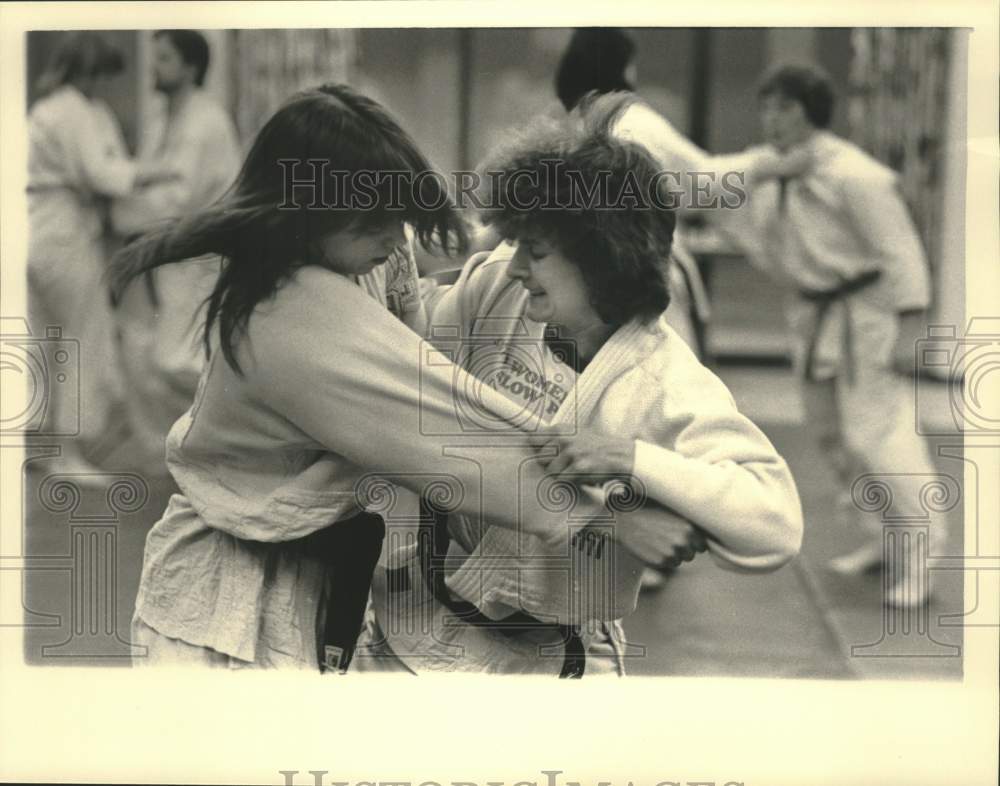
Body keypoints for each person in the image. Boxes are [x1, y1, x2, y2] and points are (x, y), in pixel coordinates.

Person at [109, 84, 629, 671]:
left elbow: (425, 329)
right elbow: (444, 425)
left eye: (398, 218)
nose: (393, 239)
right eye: (374, 223)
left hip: (315, 583)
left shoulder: (372, 255)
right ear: (309, 215)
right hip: (221, 606)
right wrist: (616, 513)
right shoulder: (287, 310)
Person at [355, 113, 804, 675]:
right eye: (518, 245)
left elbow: (774, 526)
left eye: (537, 252)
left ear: (602, 259)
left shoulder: (662, 379)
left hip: (554, 656)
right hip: (415, 625)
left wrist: (631, 459)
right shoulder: (496, 290)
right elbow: (417, 403)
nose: (516, 266)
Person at [707, 64, 939, 606]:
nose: (773, 119)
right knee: (834, 442)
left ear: (811, 111)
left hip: (868, 317)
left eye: (784, 108)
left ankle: (922, 558)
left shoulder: (855, 174)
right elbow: (744, 221)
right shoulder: (772, 175)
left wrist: (909, 329)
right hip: (814, 320)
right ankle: (882, 539)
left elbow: (902, 252)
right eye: (767, 107)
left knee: (876, 438)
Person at [27, 32, 177, 476]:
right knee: (80, 340)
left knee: (42, 340)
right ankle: (67, 455)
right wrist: (155, 171)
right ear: (88, 70)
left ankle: (37, 443)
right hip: (65, 231)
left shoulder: (45, 109)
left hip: (34, 227)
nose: (107, 86)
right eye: (104, 76)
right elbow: (101, 173)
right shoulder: (75, 110)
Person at [111, 30, 243, 473]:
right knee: (153, 355)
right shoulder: (164, 118)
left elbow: (178, 197)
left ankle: (230, 445)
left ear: (190, 66)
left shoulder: (207, 121)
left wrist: (122, 212)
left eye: (164, 58)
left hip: (202, 255)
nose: (154, 67)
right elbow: (149, 182)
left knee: (177, 361)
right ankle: (199, 451)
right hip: (169, 254)